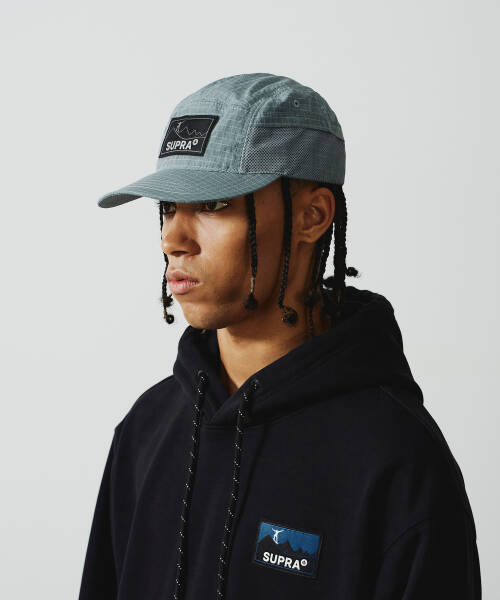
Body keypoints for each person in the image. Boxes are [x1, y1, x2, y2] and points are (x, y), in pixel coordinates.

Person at [78, 73, 482, 599]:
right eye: (169, 208)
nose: (172, 239)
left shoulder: (396, 460)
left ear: (313, 216)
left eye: (213, 204)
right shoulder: (147, 430)